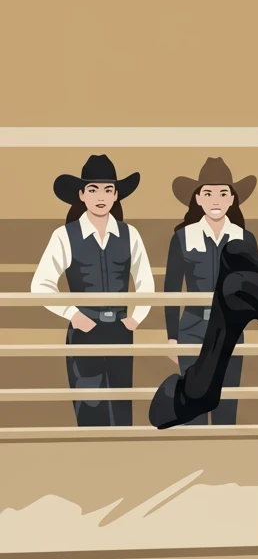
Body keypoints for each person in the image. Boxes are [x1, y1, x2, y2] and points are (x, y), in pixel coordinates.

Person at [30, 155, 154, 426]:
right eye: (93, 189)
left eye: (108, 190)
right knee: (89, 406)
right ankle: (90, 463)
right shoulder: (64, 235)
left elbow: (145, 281)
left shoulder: (130, 234)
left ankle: (121, 465)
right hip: (83, 330)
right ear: (81, 195)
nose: (101, 196)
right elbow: (40, 284)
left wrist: (135, 319)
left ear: (116, 195)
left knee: (121, 405)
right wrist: (73, 315)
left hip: (121, 329)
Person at [164, 158, 258, 424]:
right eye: (208, 193)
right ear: (197, 199)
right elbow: (171, 289)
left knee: (226, 399)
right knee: (192, 399)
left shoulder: (244, 238)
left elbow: (255, 287)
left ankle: (226, 457)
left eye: (223, 193)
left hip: (231, 325)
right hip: (192, 326)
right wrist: (172, 337)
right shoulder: (183, 237)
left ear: (232, 200)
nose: (215, 200)